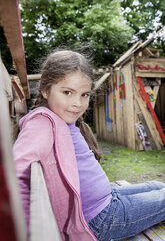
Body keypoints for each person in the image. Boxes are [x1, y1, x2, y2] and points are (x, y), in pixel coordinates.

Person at [13, 49, 165, 241]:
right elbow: (15, 173)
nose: (77, 103)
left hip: (108, 197)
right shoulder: (42, 123)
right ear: (45, 89)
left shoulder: (62, 120)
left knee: (156, 185)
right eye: (68, 92)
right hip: (101, 219)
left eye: (84, 95)